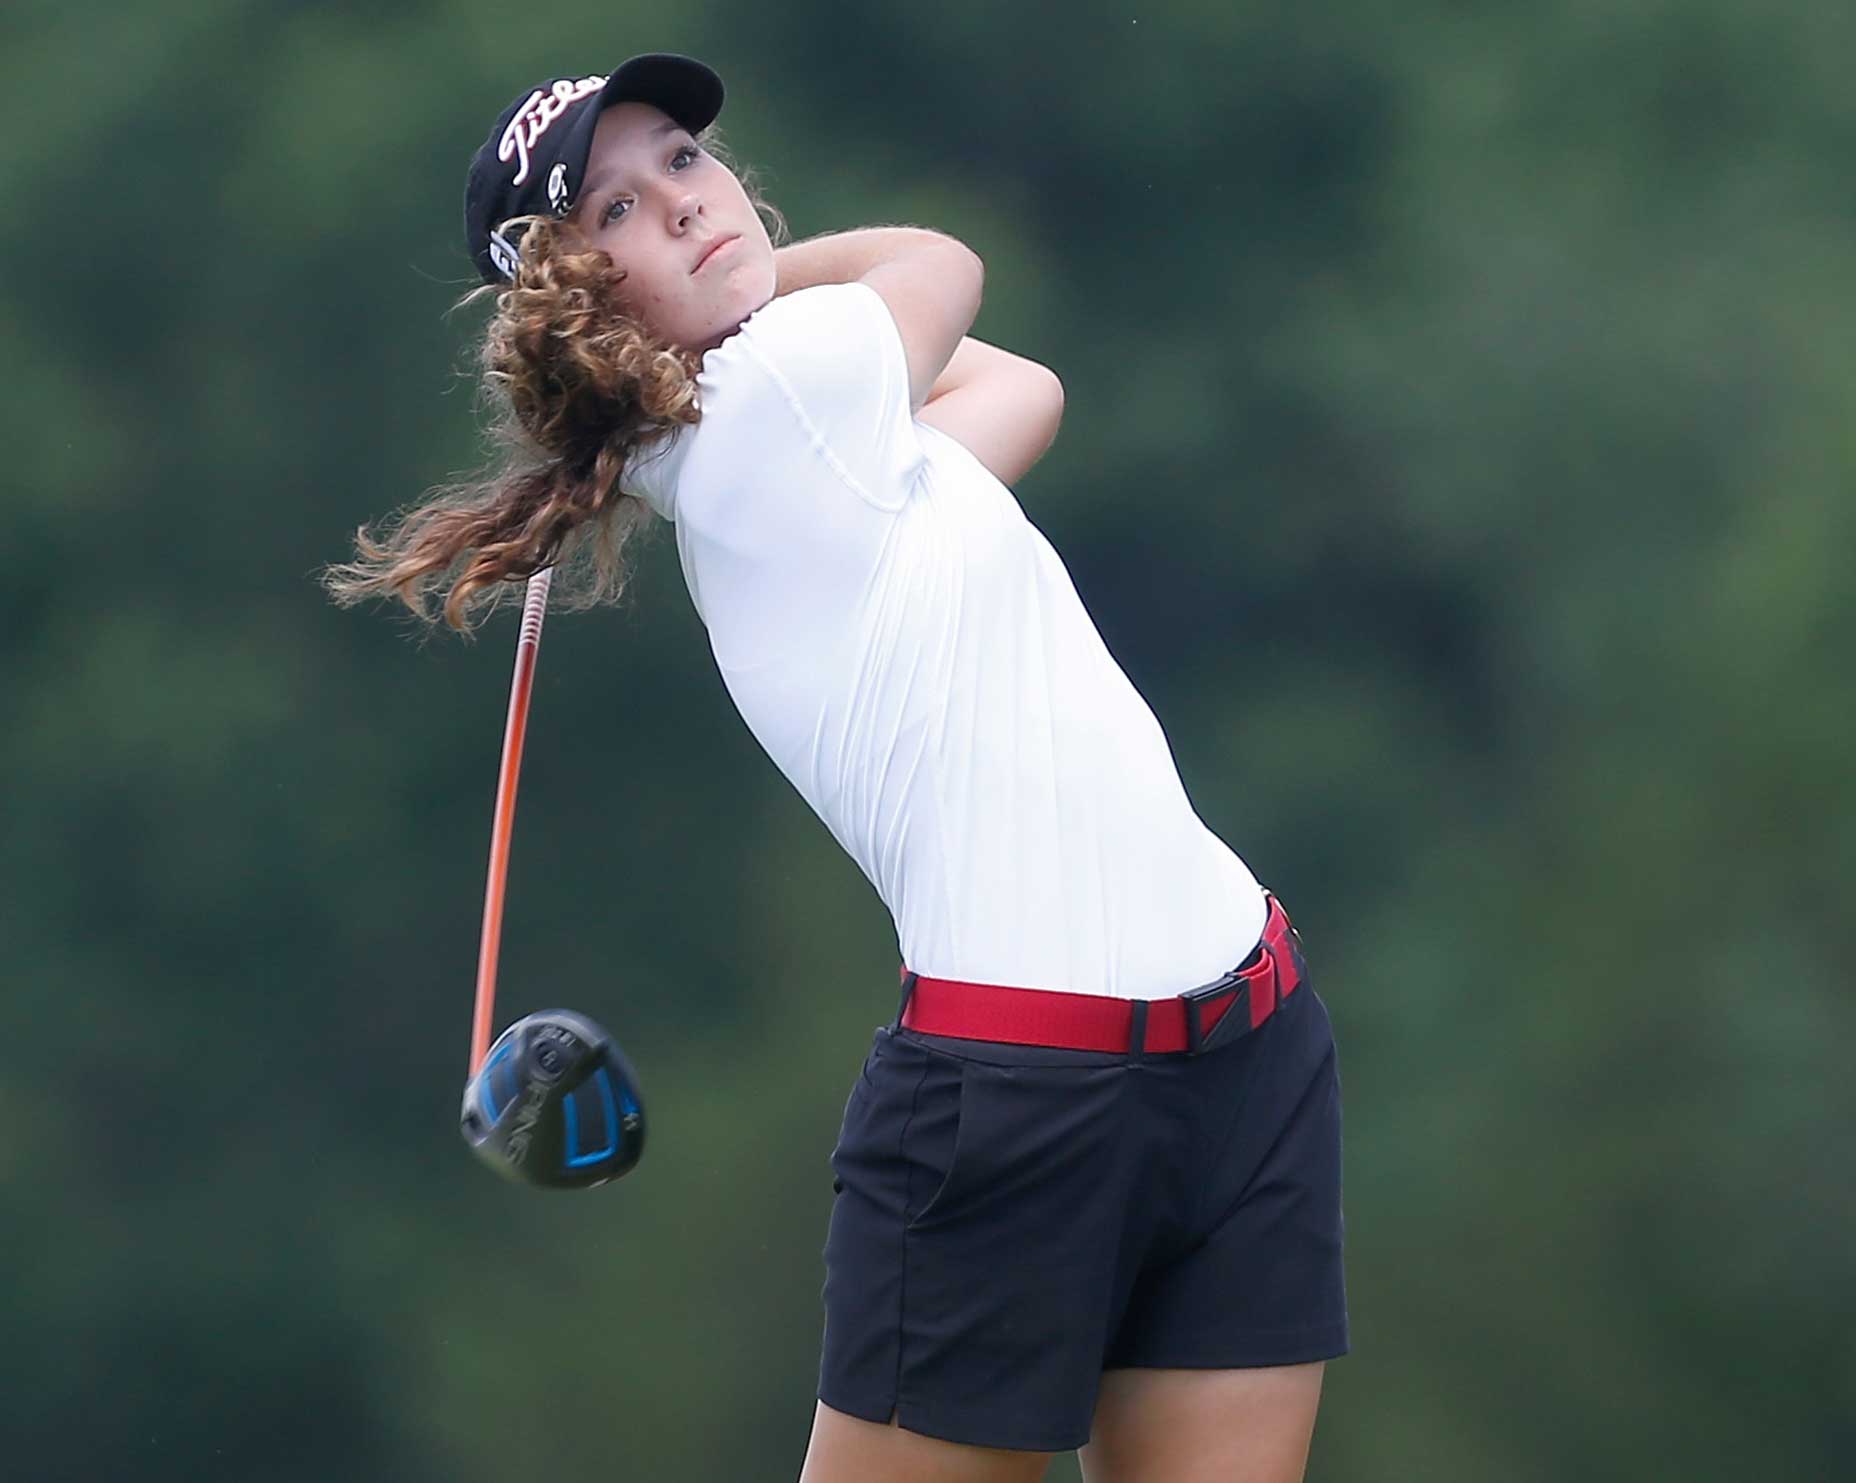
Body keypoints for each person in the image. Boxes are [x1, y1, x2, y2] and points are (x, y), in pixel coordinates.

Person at [325, 52, 1346, 1483]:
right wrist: (769, 278)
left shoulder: (820, 447)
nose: (684, 206)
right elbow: (943, 261)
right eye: (616, 210)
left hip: (1248, 1047)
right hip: (1023, 1097)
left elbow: (1020, 392)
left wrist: (690, 331)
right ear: (573, 302)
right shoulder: (783, 396)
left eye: (685, 160)